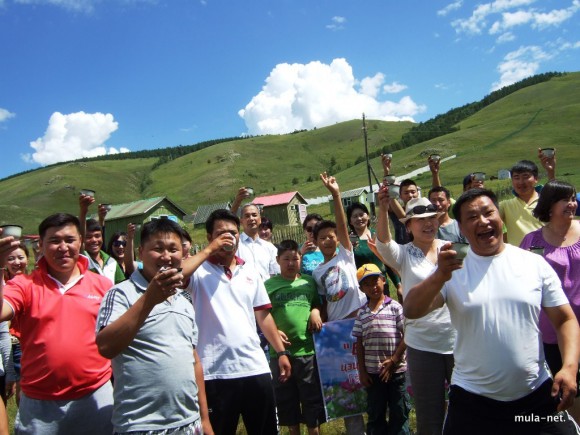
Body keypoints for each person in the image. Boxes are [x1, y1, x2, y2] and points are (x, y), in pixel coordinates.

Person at [404, 188, 580, 435]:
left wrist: (570, 367)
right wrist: (439, 276)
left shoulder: (533, 263)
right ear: (461, 229)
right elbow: (412, 309)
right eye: (473, 217)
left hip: (534, 397)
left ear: (500, 218)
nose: (483, 221)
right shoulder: (451, 270)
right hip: (473, 402)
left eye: (489, 213)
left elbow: (564, 319)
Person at [96, 218, 217, 434]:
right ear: (141, 252)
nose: (166, 257)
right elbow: (105, 347)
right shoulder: (121, 293)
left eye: (173, 249)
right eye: (157, 249)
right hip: (140, 425)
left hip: (189, 424)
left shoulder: (184, 299)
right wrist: (150, 298)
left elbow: (193, 360)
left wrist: (204, 419)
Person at [0, 213, 113, 434]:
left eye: (69, 240)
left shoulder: (102, 284)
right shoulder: (24, 284)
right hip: (41, 405)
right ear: (40, 244)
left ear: (80, 241)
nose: (63, 247)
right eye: (54, 241)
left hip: (95, 396)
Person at [186, 208, 291, 435]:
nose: (228, 237)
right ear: (209, 237)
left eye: (233, 232)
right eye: (221, 233)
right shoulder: (198, 271)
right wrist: (209, 251)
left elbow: (263, 315)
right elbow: (177, 273)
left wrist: (281, 352)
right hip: (215, 373)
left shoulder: (248, 269)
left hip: (255, 367)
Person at [374, 194, 455, 435]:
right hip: (422, 344)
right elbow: (383, 242)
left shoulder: (450, 249)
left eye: (432, 218)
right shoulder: (403, 254)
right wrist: (383, 208)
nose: (428, 223)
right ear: (408, 226)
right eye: (420, 220)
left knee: (465, 409)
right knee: (429, 416)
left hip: (457, 341)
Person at [520, 180, 580, 422]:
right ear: (550, 205)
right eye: (565, 199)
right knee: (564, 390)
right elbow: (520, 280)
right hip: (552, 329)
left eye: (573, 198)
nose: (572, 204)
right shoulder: (532, 241)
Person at [312, 172, 367, 435]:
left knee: (372, 374)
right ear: (315, 243)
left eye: (332, 235)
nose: (328, 240)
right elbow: (322, 302)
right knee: (350, 381)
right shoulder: (316, 273)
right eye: (322, 238)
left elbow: (344, 225)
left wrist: (336, 194)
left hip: (360, 321)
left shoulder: (346, 255)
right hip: (338, 330)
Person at [264, 239, 325, 435]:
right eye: (286, 259)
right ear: (278, 260)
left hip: (307, 350)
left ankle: (313, 431)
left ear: (301, 259)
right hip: (280, 352)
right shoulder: (268, 285)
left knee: (310, 397)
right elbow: (261, 315)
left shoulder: (308, 282)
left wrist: (315, 312)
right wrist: (274, 331)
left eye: (295, 258)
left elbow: (317, 304)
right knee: (287, 400)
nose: (291, 263)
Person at [353, 263, 410, 435]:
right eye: (367, 284)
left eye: (375, 281)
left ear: (384, 281)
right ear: (362, 289)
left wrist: (394, 360)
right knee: (375, 414)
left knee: (399, 412)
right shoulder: (361, 313)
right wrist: (362, 371)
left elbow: (408, 335)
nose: (373, 286)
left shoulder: (395, 307)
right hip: (373, 375)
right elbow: (359, 345)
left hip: (396, 372)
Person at [346, 201, 403, 302]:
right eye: (354, 216)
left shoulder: (378, 236)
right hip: (360, 290)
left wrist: (398, 284)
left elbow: (388, 262)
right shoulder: (348, 241)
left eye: (361, 214)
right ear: (350, 221)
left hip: (380, 285)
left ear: (367, 216)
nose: (359, 218)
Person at [499, 150, 556, 246]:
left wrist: (550, 171)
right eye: (516, 177)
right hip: (519, 258)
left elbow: (556, 195)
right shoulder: (505, 205)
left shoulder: (546, 201)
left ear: (536, 179)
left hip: (546, 256)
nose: (521, 182)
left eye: (525, 177)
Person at [79, 194, 125, 285]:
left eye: (97, 236)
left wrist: (102, 219)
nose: (94, 240)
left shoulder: (112, 262)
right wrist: (83, 211)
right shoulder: (81, 258)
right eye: (88, 237)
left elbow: (122, 287)